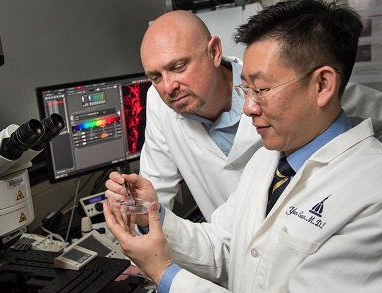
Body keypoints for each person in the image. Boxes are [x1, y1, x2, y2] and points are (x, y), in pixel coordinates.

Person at [104, 0, 382, 292]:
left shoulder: (370, 196)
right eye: (245, 89)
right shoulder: (267, 161)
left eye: (260, 90)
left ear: (323, 84)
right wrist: (151, 213)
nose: (247, 108)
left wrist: (166, 274)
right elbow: (224, 246)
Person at [139, 9, 382, 221]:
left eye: (179, 67)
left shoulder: (300, 88)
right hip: (224, 247)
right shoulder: (160, 101)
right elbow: (154, 190)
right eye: (156, 77)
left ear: (214, 52)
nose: (168, 86)